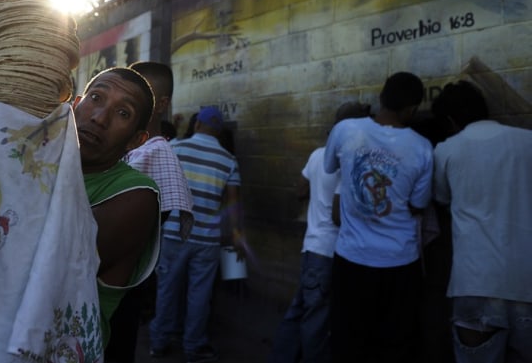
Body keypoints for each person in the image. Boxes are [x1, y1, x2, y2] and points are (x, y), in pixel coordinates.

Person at [0, 66, 161, 354]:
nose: (100, 118)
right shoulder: (32, 153)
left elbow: (53, 259)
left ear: (137, 140)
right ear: (74, 105)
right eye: (96, 98)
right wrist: (11, 103)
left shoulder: (136, 194)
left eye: (123, 113)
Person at [324, 72, 433, 363]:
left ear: (381, 98)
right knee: (395, 344)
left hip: (352, 260)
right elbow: (418, 205)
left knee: (348, 341)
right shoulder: (422, 147)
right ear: (411, 108)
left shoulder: (345, 129)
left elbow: (330, 166)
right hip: (400, 263)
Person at [431, 80, 532, 363]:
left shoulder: (446, 150)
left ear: (450, 120)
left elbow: (441, 198)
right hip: (527, 282)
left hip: (475, 283)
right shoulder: (528, 141)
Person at [104, 61, 194, 363]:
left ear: (161, 105)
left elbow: (146, 226)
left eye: (141, 93)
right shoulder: (128, 147)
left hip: (120, 286)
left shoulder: (159, 153)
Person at [267, 101, 371, 363]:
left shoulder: (317, 155)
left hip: (312, 248)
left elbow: (300, 190)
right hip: (330, 252)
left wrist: (316, 196)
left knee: (300, 310)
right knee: (317, 320)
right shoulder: (348, 162)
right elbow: (338, 216)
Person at [149, 106, 243, 363]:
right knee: (200, 294)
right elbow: (232, 204)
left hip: (174, 234)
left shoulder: (176, 149)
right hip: (207, 240)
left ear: (198, 125)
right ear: (219, 130)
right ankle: (193, 346)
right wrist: (236, 236)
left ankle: (159, 342)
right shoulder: (229, 160)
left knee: (167, 289)